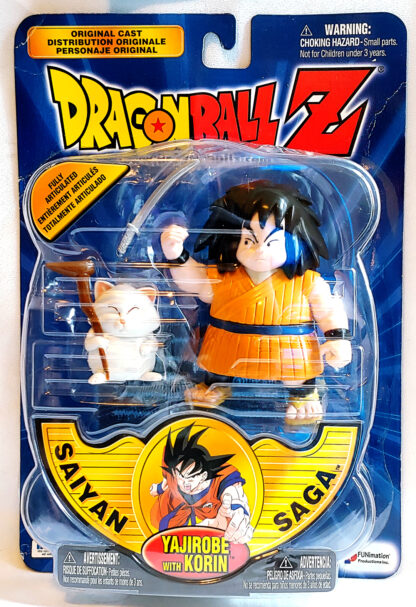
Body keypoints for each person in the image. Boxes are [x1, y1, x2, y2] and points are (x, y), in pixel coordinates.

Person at [161, 180, 352, 425]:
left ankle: (303, 396)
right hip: (227, 346)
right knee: (217, 371)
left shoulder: (307, 282)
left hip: (291, 350)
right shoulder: (224, 277)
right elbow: (193, 281)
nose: (260, 250)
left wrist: (338, 338)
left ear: (294, 242)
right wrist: (176, 254)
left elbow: (329, 310)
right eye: (249, 241)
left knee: (298, 376)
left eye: (272, 242)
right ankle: (215, 386)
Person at [150, 424, 253, 544]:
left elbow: (233, 492)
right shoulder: (173, 475)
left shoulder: (220, 479)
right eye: (181, 476)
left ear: (203, 475)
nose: (185, 482)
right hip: (171, 513)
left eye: (192, 477)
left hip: (211, 517)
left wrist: (238, 510)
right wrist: (158, 489)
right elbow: (167, 479)